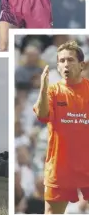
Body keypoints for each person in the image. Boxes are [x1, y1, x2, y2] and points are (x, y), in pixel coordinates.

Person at [33, 40, 89, 214]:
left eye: (70, 60)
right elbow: (42, 115)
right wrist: (42, 88)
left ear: (82, 65)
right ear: (57, 66)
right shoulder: (52, 91)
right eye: (62, 61)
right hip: (59, 169)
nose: (66, 64)